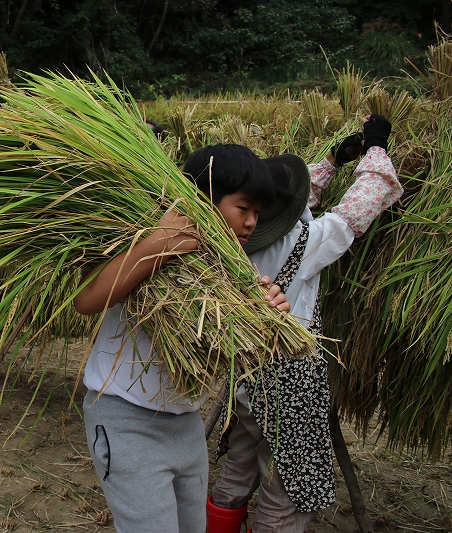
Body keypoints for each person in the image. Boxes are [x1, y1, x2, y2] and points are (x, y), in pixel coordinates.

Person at [73, 144, 291, 533]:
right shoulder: (146, 238)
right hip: (126, 420)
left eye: (257, 213)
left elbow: (240, 350)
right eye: (244, 209)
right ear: (205, 199)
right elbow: (87, 300)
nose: (252, 222)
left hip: (186, 424)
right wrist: (158, 243)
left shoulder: (230, 269)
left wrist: (265, 308)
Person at [207, 115, 402, 533]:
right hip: (289, 382)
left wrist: (334, 159)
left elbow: (296, 196)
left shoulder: (233, 235)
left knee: (239, 468)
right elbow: (365, 201)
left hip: (244, 378)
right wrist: (376, 148)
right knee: (287, 487)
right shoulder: (304, 241)